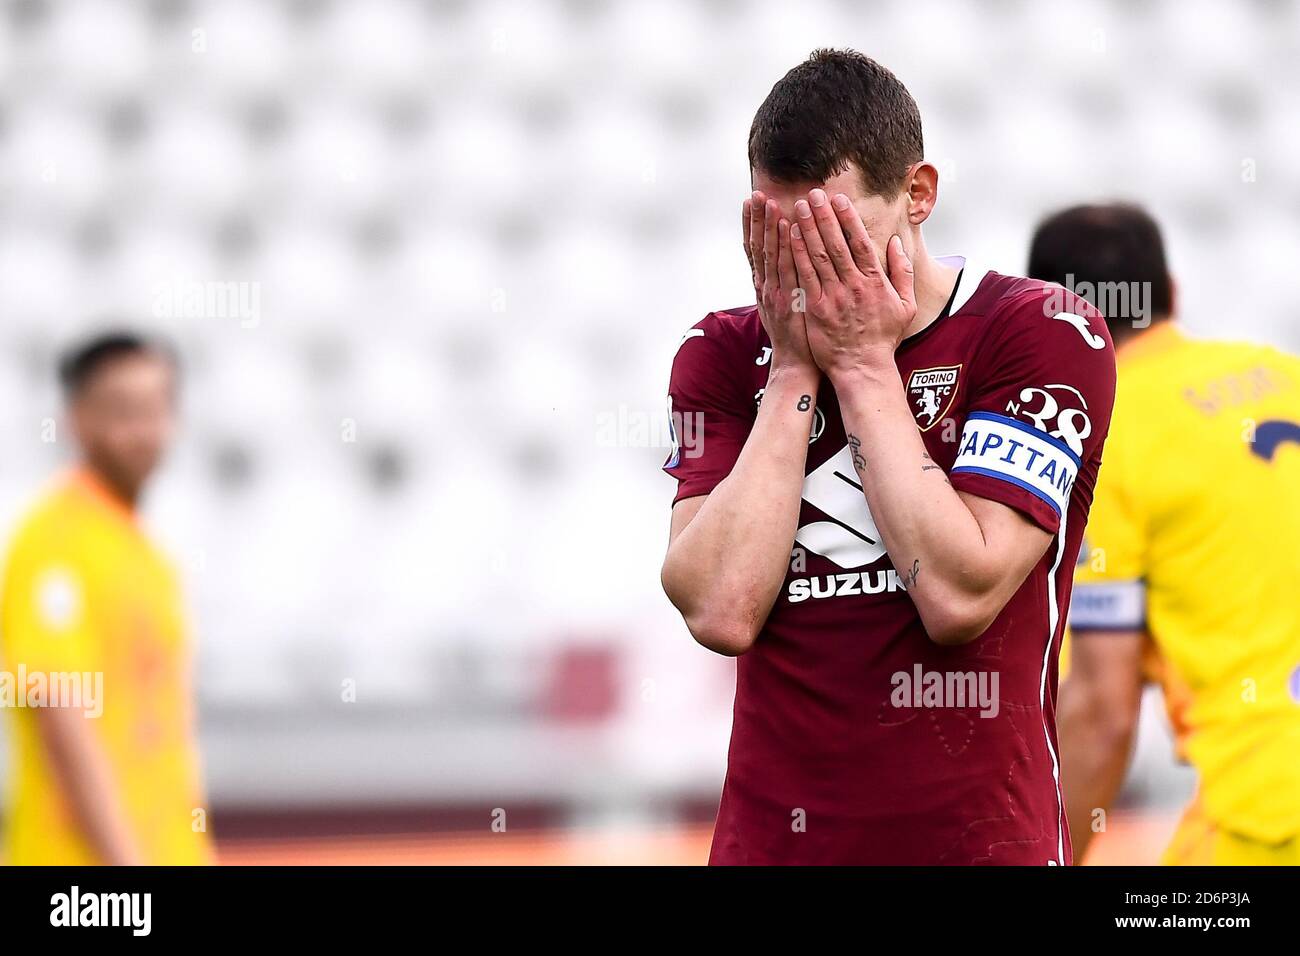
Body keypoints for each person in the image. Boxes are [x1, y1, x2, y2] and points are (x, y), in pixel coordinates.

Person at [659, 49, 1116, 864]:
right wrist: (798, 367)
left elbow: (957, 594)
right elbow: (721, 610)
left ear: (918, 195)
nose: (810, 270)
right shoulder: (723, 353)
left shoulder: (1039, 333)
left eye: (836, 235)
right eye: (784, 237)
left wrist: (864, 367)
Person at [1031, 203, 1300, 865]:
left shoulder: (1104, 435)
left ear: (1046, 317)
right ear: (1172, 294)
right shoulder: (1283, 372)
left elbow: (1102, 710)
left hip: (1268, 806)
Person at [1, 331, 214, 865]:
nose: (143, 431)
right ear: (77, 419)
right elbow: (61, 713)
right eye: (122, 411)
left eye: (156, 409)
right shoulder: (55, 543)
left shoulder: (144, 554)